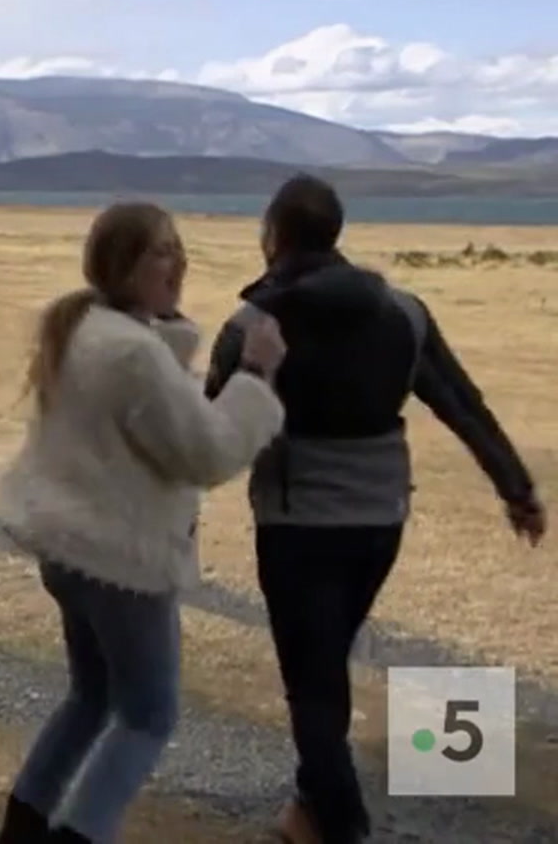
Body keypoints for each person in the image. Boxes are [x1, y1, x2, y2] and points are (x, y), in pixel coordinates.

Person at [202, 173, 546, 844]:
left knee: (313, 687)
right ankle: (308, 810)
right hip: (380, 520)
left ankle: (345, 824)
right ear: (335, 234)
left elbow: (209, 434)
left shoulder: (251, 325)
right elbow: (461, 402)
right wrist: (516, 488)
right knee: (324, 666)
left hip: (297, 524)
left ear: (272, 237)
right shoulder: (405, 311)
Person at [0, 201, 290, 844]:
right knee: (148, 716)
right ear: (122, 264)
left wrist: (173, 331)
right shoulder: (131, 354)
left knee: (91, 697)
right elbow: (206, 453)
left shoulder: (84, 327)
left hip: (70, 549)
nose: (178, 261)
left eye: (179, 248)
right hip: (119, 561)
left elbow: (145, 404)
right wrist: (257, 376)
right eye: (161, 250)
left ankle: (24, 830)